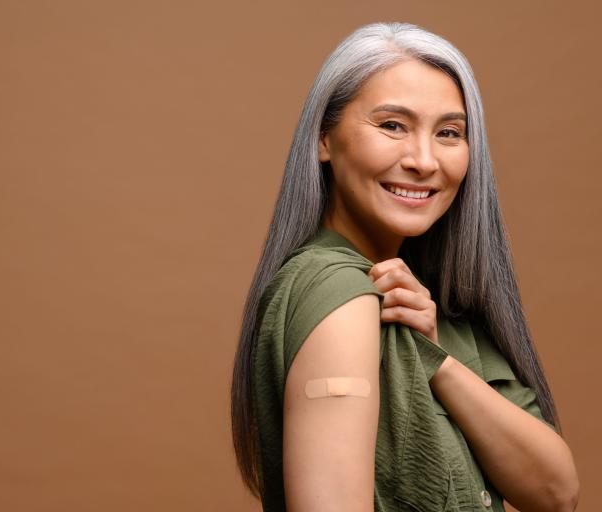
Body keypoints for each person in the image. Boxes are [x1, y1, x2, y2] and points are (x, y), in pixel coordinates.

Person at [230, 22, 580, 512]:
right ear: (323, 139)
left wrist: (436, 360)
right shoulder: (343, 297)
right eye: (392, 125)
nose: (423, 159)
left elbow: (556, 492)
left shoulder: (432, 307)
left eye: (449, 133)